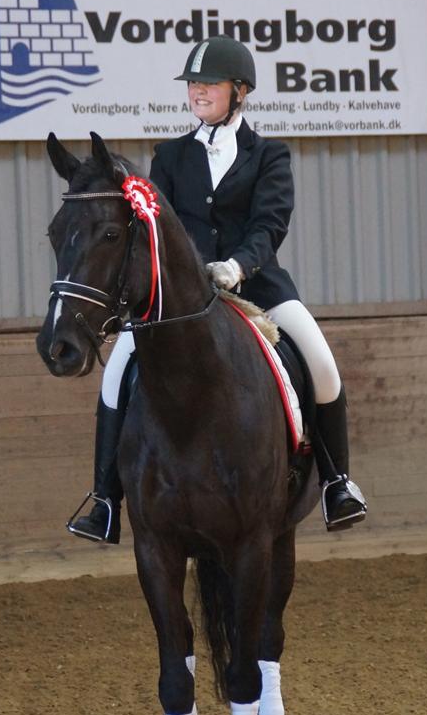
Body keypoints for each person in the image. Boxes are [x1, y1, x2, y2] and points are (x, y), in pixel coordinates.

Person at [67, 35, 367, 544]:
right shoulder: (169, 157)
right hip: (180, 295)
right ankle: (104, 499)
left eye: (209, 84)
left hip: (257, 285)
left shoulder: (269, 155)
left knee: (321, 363)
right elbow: (160, 227)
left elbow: (270, 224)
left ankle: (337, 483)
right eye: (193, 85)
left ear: (241, 90)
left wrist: (237, 265)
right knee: (115, 373)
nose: (198, 92)